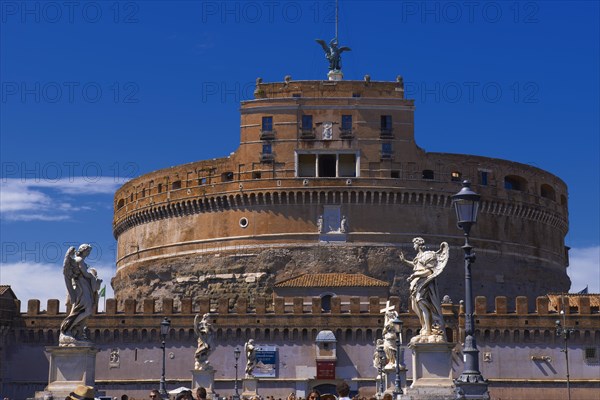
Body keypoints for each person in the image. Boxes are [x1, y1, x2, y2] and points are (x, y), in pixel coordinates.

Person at [399, 237, 449, 340]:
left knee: (423, 305)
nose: (413, 246)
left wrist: (415, 275)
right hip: (416, 284)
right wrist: (404, 261)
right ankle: (425, 326)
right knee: (414, 306)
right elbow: (416, 265)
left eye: (414, 244)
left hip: (424, 283)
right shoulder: (418, 256)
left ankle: (428, 330)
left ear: (418, 244)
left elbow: (429, 272)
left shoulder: (428, 255)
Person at [60, 244, 102, 344]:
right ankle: (68, 328)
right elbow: (85, 274)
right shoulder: (78, 260)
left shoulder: (79, 261)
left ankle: (77, 331)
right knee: (85, 310)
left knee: (86, 310)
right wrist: (93, 277)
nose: (88, 254)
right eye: (87, 251)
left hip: (84, 287)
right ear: (83, 251)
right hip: (81, 289)